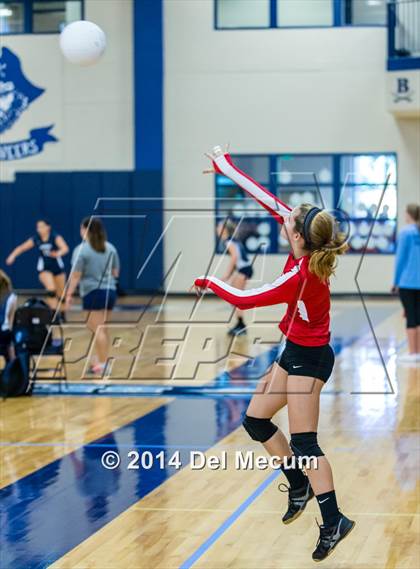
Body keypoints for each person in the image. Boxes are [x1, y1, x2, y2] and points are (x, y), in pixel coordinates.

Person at [194, 148, 354, 562]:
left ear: (298, 236)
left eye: (290, 223)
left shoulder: (300, 275)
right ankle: (297, 484)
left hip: (309, 359)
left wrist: (210, 279)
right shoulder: (307, 241)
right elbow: (269, 201)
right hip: (296, 352)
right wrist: (225, 167)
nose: (285, 221)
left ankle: (334, 520)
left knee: (305, 444)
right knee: (255, 420)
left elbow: (245, 301)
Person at [65, 217, 120, 377]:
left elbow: (75, 275)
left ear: (86, 230)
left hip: (92, 292)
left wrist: (68, 294)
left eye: (82, 229)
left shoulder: (81, 250)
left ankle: (103, 365)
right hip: (110, 291)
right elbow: (116, 272)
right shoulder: (110, 248)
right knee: (103, 329)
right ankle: (100, 362)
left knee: (97, 329)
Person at [5, 219, 69, 321]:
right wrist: (12, 256)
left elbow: (65, 248)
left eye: (41, 226)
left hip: (57, 268)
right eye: (38, 227)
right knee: (51, 290)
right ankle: (53, 315)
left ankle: (62, 312)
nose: (39, 229)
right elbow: (22, 247)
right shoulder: (36, 239)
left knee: (61, 294)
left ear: (48, 227)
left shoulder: (55, 237)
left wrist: (58, 253)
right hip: (44, 268)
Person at [217, 218, 254, 335]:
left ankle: (241, 325)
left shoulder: (229, 242)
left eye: (218, 227)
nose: (216, 229)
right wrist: (230, 276)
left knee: (237, 299)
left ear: (224, 230)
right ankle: (239, 323)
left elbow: (235, 258)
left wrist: (226, 275)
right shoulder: (232, 240)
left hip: (244, 269)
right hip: (243, 269)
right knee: (233, 297)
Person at [393, 203, 420, 362]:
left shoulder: (405, 233)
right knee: (418, 316)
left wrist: (395, 282)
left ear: (408, 214)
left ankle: (413, 353)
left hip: (407, 282)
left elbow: (400, 260)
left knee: (410, 316)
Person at [0, 270, 17, 361]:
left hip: (3, 335)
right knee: (10, 341)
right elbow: (10, 323)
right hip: (5, 334)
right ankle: (12, 366)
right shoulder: (12, 297)